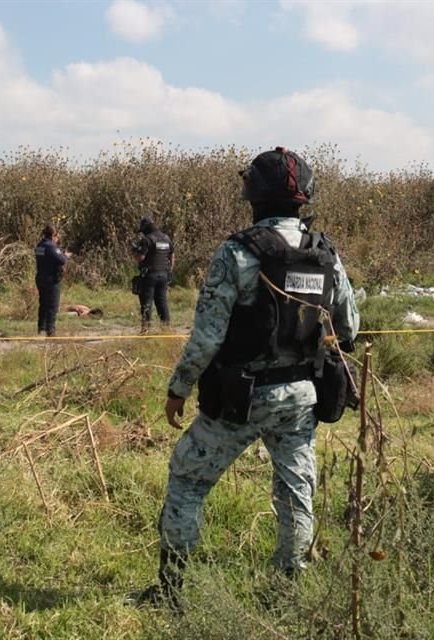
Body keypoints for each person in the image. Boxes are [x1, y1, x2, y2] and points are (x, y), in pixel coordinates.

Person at [134, 146, 360, 610]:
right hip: (301, 396)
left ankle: (172, 592)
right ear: (306, 197)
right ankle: (286, 593)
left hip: (241, 397)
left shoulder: (237, 254)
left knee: (188, 481)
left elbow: (206, 337)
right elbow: (350, 328)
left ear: (252, 195)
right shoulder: (326, 255)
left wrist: (178, 388)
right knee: (297, 493)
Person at [131, 216, 174, 332]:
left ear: (146, 228)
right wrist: (169, 271)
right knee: (162, 302)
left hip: (149, 276)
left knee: (146, 303)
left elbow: (140, 257)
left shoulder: (147, 240)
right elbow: (171, 256)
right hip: (164, 275)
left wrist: (135, 250)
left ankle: (146, 330)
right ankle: (166, 329)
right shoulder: (166, 238)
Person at [34, 224, 69, 337]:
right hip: (51, 280)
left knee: (43, 305)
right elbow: (61, 260)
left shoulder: (39, 246)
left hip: (41, 278)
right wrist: (66, 255)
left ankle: (41, 329)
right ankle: (50, 330)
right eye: (56, 236)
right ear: (53, 235)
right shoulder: (51, 247)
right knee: (52, 306)